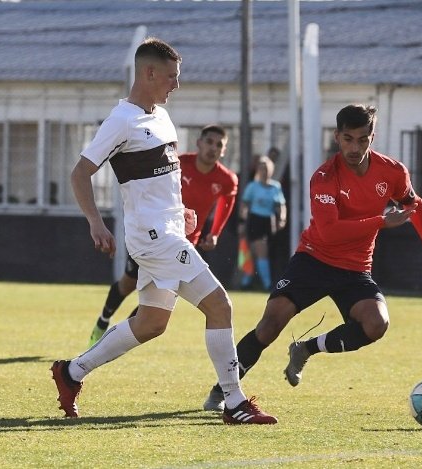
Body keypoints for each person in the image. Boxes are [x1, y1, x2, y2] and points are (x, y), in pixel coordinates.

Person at [50, 37, 276, 424]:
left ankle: (71, 372)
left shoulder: (161, 117)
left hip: (167, 231)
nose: (176, 84)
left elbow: (162, 180)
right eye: (171, 77)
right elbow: (80, 173)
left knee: (152, 323)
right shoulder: (121, 120)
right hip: (152, 237)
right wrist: (95, 222)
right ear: (149, 73)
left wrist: (183, 211)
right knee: (220, 305)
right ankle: (235, 402)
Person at [202, 104, 422, 411]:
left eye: (362, 139)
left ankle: (305, 349)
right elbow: (330, 232)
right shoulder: (325, 176)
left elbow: (416, 205)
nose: (354, 147)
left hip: (356, 269)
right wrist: (382, 221)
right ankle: (224, 389)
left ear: (373, 136)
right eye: (347, 139)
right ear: (336, 137)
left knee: (376, 324)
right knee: (269, 326)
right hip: (313, 260)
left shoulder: (393, 172)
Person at [88, 124, 239, 346]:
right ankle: (103, 321)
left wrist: (214, 232)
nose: (213, 148)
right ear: (199, 143)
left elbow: (228, 199)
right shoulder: (178, 164)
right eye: (209, 142)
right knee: (127, 284)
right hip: (154, 237)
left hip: (184, 244)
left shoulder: (226, 179)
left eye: (219, 145)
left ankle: (118, 340)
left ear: (223, 151)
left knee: (160, 298)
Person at [238, 155, 287, 291]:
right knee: (260, 251)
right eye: (261, 168)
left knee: (257, 253)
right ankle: (267, 284)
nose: (264, 171)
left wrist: (281, 219)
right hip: (255, 221)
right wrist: (242, 222)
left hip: (269, 223)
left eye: (266, 168)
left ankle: (246, 282)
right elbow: (244, 205)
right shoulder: (253, 187)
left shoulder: (275, 187)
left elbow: (280, 206)